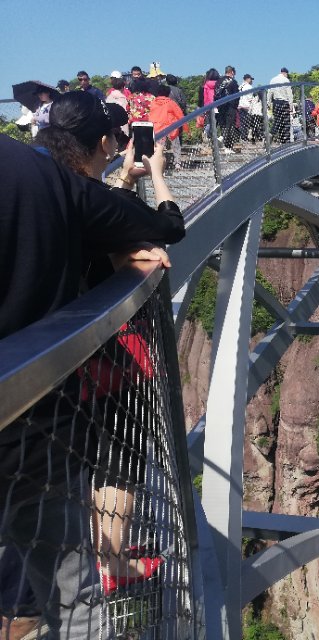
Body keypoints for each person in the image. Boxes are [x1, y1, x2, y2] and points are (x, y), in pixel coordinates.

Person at [0, 94, 184, 637]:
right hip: (37, 429)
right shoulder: (48, 182)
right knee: (72, 600)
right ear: (104, 143)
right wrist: (150, 184)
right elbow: (163, 227)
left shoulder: (42, 171)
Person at [149, 84, 188, 167]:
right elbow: (180, 115)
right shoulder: (171, 103)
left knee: (159, 148)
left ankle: (158, 165)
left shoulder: (153, 103)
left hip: (157, 128)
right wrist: (186, 129)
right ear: (168, 93)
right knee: (176, 146)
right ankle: (177, 163)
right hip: (171, 127)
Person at [215, 65, 240, 152]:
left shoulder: (218, 81)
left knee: (223, 125)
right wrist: (235, 106)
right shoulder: (233, 82)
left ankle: (222, 139)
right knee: (230, 126)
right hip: (230, 107)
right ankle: (228, 146)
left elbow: (216, 94)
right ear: (232, 72)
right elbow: (237, 96)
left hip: (220, 106)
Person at [268, 67, 293, 144]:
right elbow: (289, 94)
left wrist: (268, 103)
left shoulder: (273, 80)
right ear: (286, 73)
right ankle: (284, 141)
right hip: (284, 102)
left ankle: (271, 133)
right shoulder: (286, 80)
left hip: (276, 102)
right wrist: (291, 105)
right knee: (285, 123)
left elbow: (269, 92)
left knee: (277, 120)